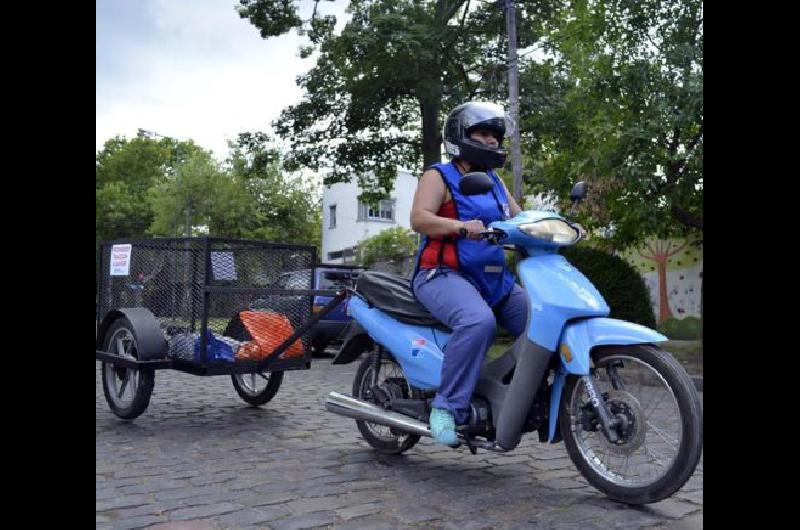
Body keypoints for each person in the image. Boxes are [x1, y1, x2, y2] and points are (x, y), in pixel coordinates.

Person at [409, 101, 528, 445]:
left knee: (541, 323)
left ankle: (515, 392)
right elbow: (419, 219)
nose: (492, 141)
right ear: (461, 136)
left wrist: (554, 227)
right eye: (483, 133)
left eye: (496, 136)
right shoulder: (439, 175)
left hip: (493, 280)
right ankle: (446, 407)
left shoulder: (494, 181)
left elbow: (519, 219)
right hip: (442, 274)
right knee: (478, 322)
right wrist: (460, 226)